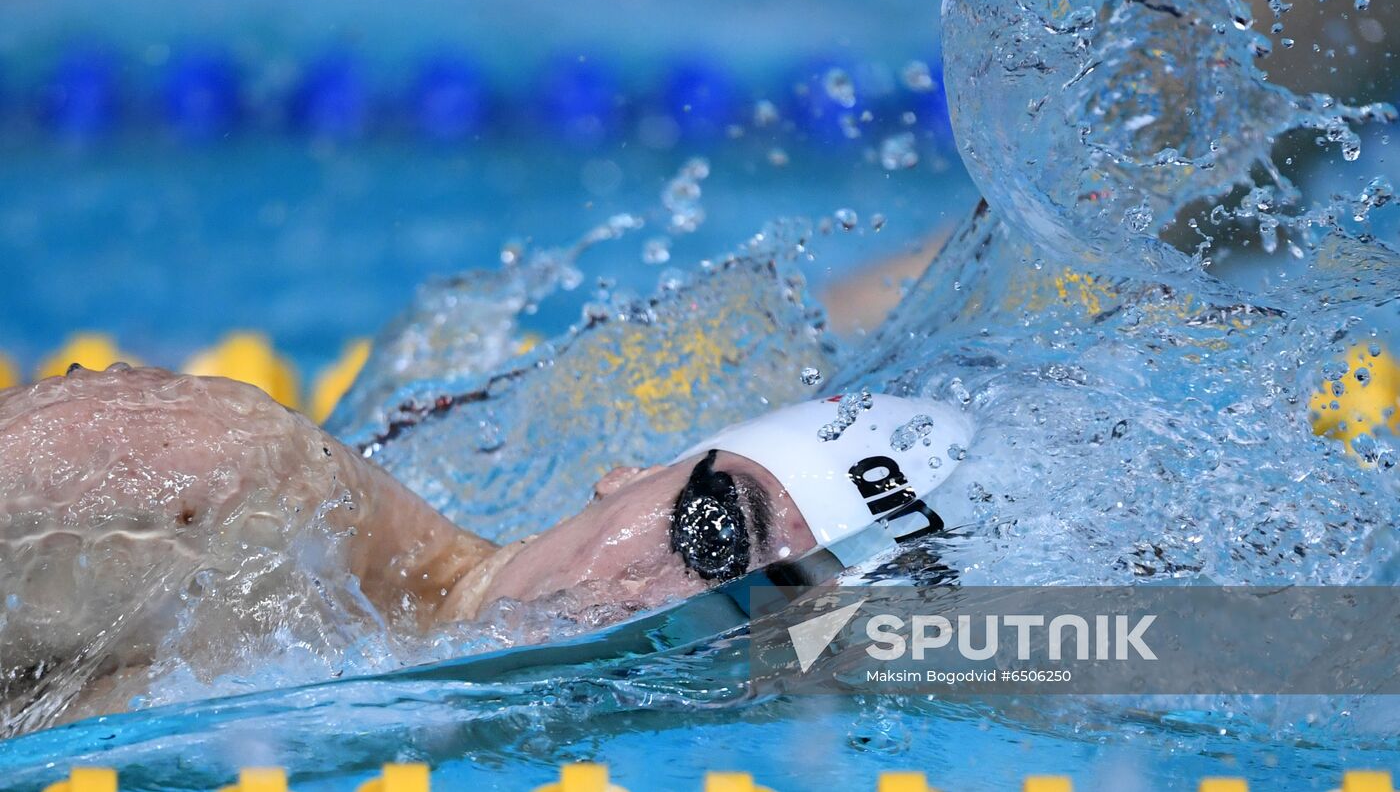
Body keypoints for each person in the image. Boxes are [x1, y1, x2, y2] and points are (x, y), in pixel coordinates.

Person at [0, 364, 972, 725]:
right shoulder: (236, 490)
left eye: (766, 617)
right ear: (626, 474)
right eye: (715, 530)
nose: (676, 603)